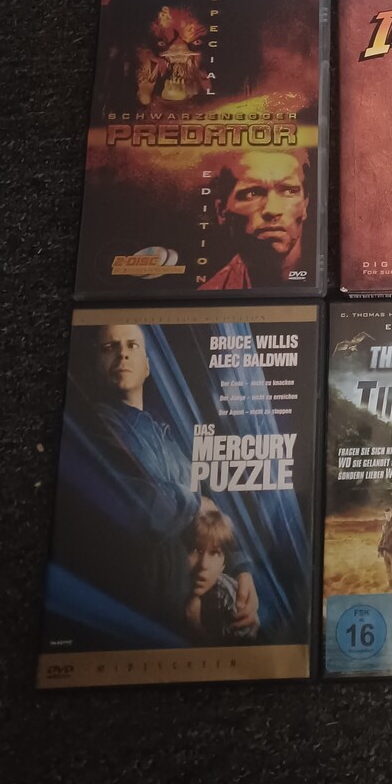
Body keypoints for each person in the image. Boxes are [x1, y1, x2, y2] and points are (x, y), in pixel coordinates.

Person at [50, 324, 259, 644]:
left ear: (147, 366)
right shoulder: (93, 427)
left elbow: (211, 513)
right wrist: (194, 502)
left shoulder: (167, 438)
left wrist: (243, 571)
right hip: (140, 619)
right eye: (109, 347)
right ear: (96, 363)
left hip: (184, 612)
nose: (122, 354)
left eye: (132, 345)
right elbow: (145, 510)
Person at [200, 149, 311, 290]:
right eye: (251, 193)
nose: (272, 210)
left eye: (289, 191)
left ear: (304, 205)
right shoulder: (212, 290)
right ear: (222, 211)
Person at [184, 507, 257, 644]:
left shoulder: (228, 596)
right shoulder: (176, 584)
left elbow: (240, 650)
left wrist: (196, 628)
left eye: (214, 553)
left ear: (224, 564)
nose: (203, 564)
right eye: (196, 550)